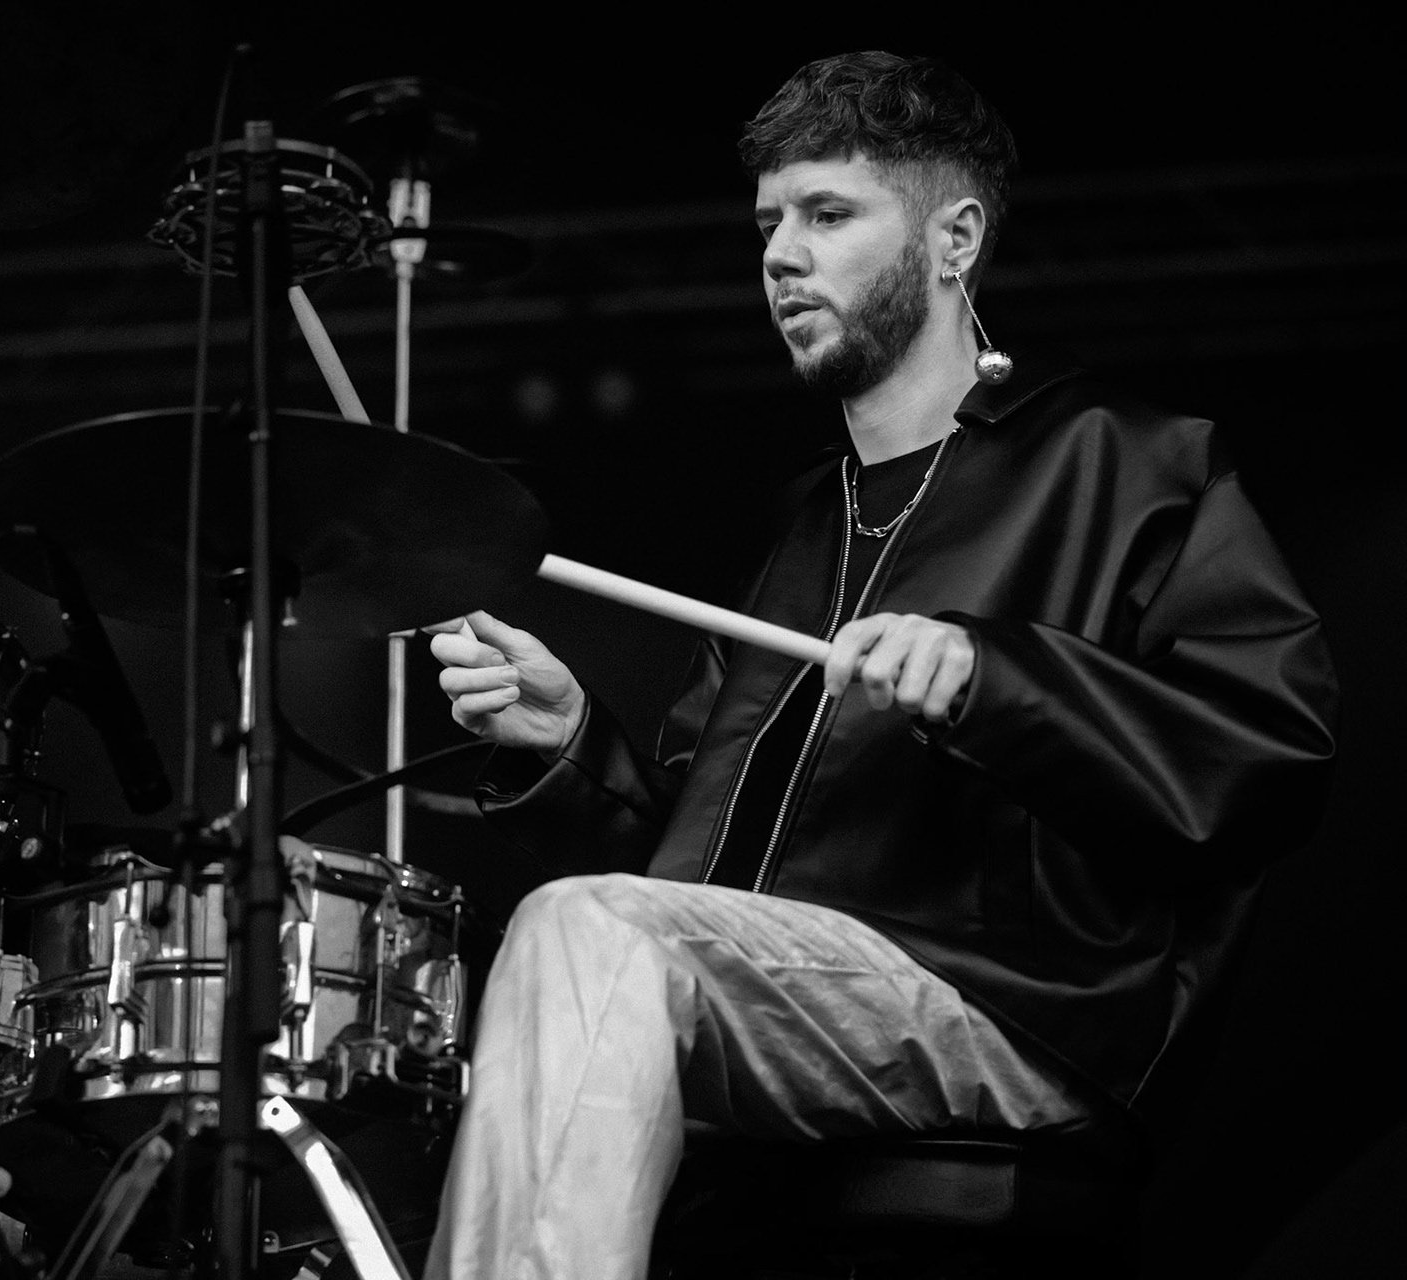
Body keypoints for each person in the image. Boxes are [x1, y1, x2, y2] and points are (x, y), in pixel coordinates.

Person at [419, 50, 1338, 1280]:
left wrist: (990, 676)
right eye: (769, 223)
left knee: (586, 928)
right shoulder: (805, 528)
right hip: (801, 1019)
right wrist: (574, 740)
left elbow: (1270, 759)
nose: (781, 255)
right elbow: (696, 884)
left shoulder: (1128, 463)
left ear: (955, 239)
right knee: (582, 937)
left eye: (828, 214)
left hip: (1018, 1013)